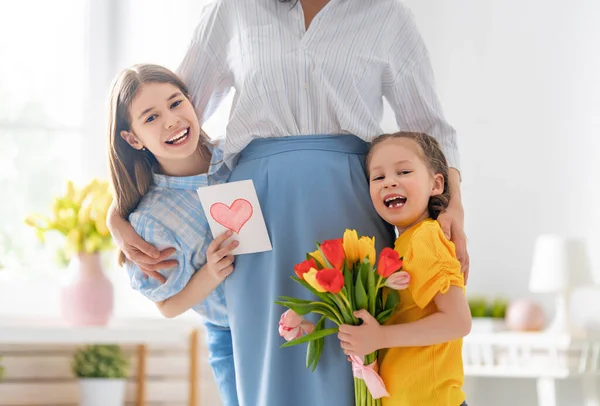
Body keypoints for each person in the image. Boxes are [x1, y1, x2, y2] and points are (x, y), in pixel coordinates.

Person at [107, 1, 469, 405]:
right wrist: (117, 212)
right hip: (252, 208)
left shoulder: (386, 15)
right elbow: (169, 116)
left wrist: (453, 207)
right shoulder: (234, 10)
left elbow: (430, 125)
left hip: (350, 200)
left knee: (348, 346)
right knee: (273, 351)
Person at [107, 64, 238, 406]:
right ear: (132, 139)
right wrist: (210, 273)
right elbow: (167, 305)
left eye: (176, 103)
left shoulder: (238, 154)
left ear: (193, 102)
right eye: (151, 118)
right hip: (232, 338)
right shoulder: (153, 219)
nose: (171, 120)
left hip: (291, 314)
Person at [338, 131, 471, 406]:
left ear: (435, 184)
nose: (390, 182)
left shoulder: (425, 239)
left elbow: (458, 321)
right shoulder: (402, 247)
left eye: (404, 171)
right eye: (379, 177)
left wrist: (379, 338)